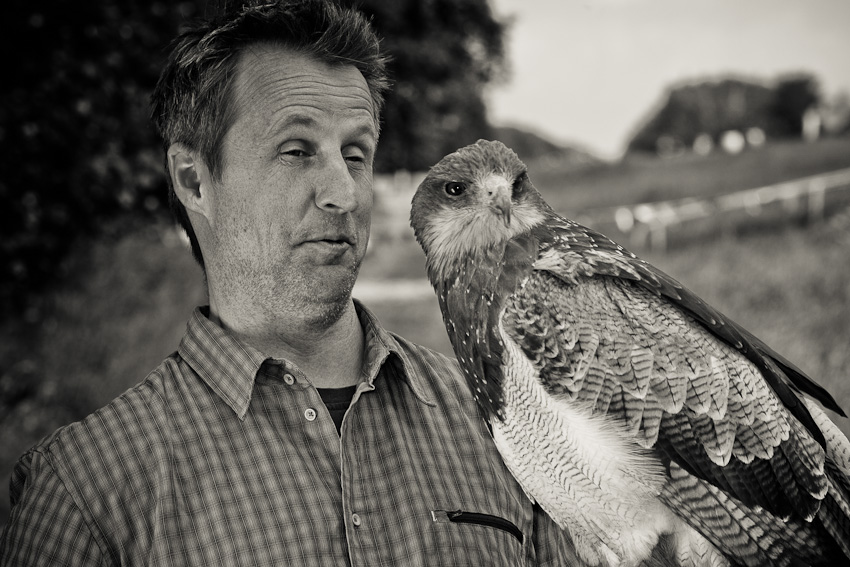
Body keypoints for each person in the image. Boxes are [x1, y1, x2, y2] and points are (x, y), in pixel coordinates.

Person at [0, 1, 577, 564]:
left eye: (356, 155)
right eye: (297, 151)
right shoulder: (85, 493)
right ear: (194, 181)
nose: (344, 194)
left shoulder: (505, 421)